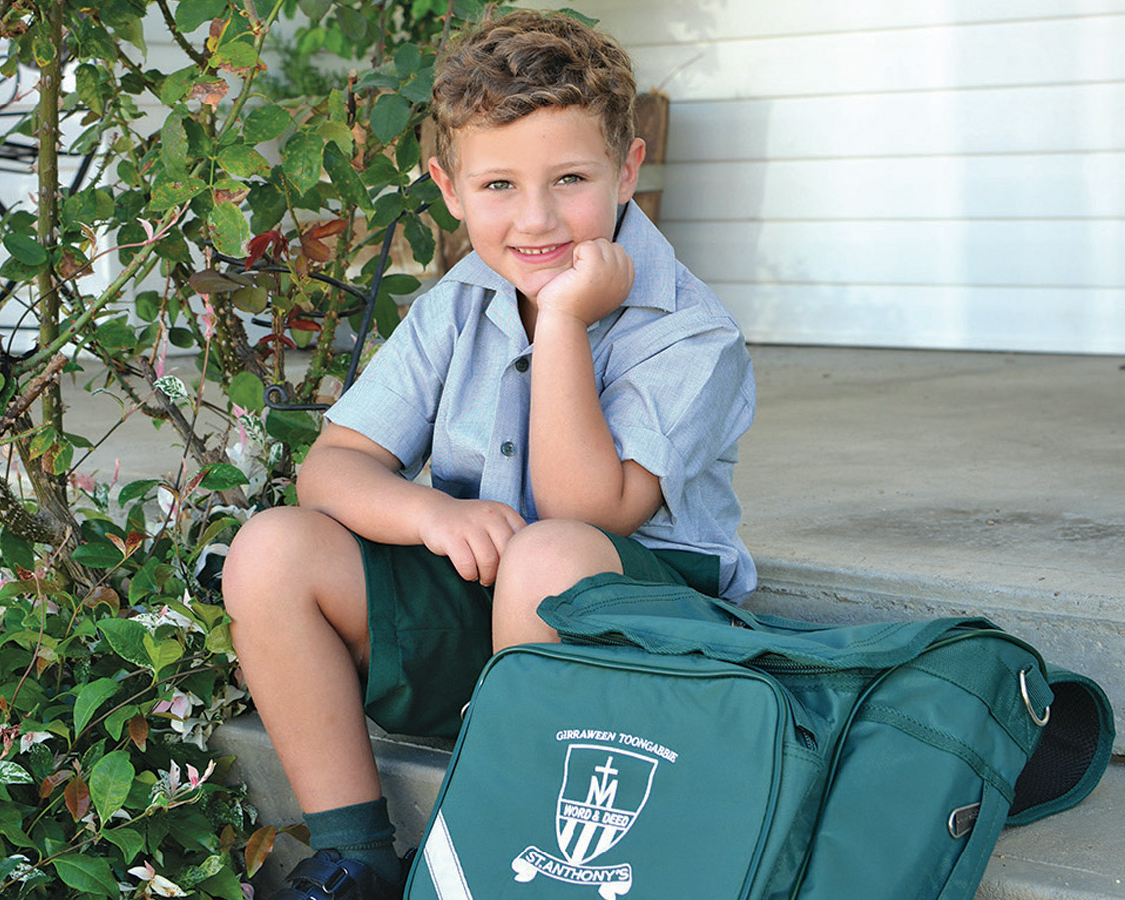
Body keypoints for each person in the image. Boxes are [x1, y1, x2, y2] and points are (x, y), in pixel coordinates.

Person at [221, 8, 757, 899]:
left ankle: (516, 861)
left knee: (548, 552)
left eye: (572, 178)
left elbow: (585, 512)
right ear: (449, 188)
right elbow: (331, 468)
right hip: (485, 608)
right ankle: (356, 856)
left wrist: (564, 323)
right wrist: (434, 511)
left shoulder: (692, 335)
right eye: (499, 185)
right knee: (273, 547)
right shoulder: (453, 307)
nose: (537, 217)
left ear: (628, 170)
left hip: (632, 641)